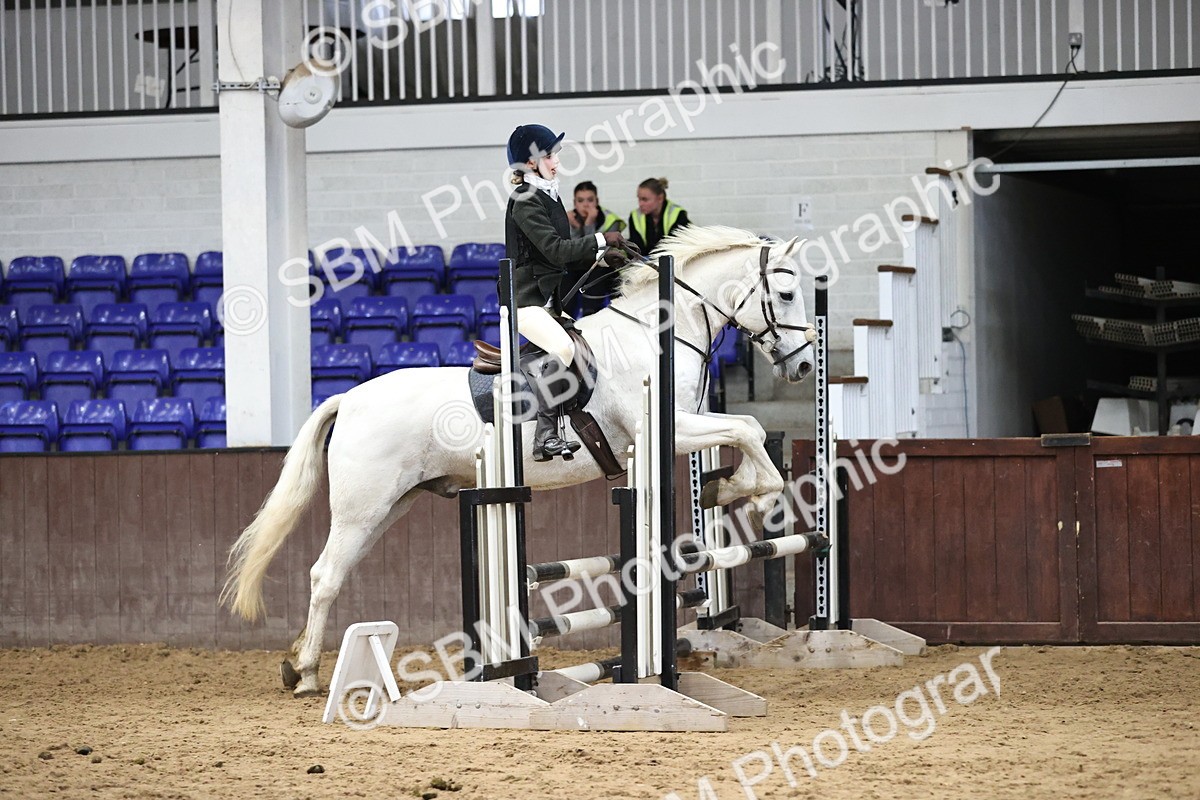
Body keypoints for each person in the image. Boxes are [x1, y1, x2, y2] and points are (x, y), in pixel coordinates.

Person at [505, 124, 631, 462]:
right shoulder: (525, 200)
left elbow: (556, 258)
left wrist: (601, 261)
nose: (556, 161)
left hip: (549, 303)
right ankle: (545, 436)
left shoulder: (548, 195)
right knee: (561, 347)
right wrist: (602, 239)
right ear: (530, 163)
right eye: (549, 156)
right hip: (525, 302)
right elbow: (556, 250)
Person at [567, 181, 625, 316]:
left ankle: (590, 315)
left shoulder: (610, 220)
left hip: (603, 268)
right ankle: (565, 317)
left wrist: (588, 225)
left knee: (597, 273)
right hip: (575, 268)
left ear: (597, 201)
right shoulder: (567, 219)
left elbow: (596, 254)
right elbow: (569, 253)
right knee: (564, 275)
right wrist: (574, 229)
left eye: (590, 200)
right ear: (575, 203)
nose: (585, 205)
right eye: (580, 201)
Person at [627, 177, 691, 254]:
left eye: (645, 199)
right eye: (639, 199)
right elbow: (636, 249)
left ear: (660, 198)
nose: (640, 204)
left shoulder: (678, 215)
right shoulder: (635, 216)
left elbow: (679, 248)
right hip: (644, 263)